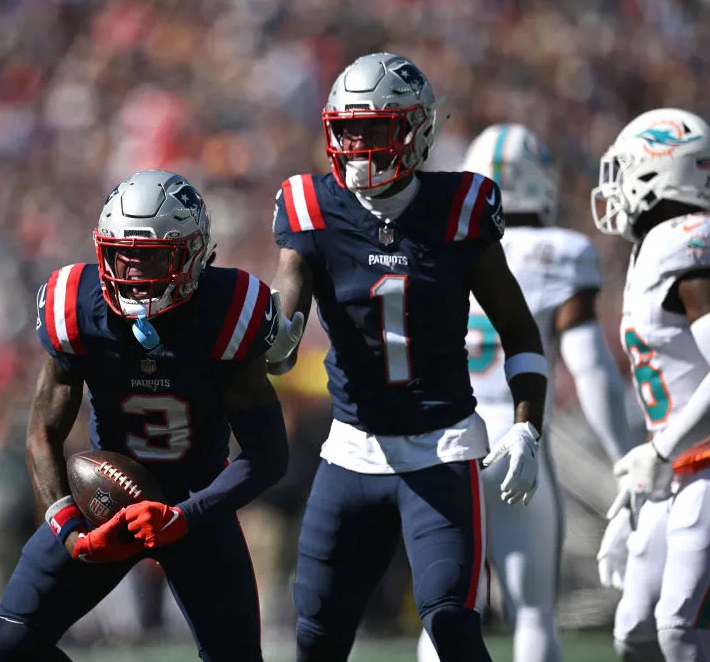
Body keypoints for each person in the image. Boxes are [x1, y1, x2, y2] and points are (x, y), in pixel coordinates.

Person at [266, 53, 548, 662]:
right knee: (316, 635)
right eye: (349, 128)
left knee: (451, 624)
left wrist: (528, 425)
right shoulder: (310, 209)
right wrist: (275, 339)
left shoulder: (461, 207)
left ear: (417, 130)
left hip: (441, 448)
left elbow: (521, 332)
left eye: (377, 128)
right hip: (351, 450)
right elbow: (282, 341)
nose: (359, 144)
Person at [0, 170, 288, 662]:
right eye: (120, 253)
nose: (130, 270)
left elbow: (269, 455)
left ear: (193, 254)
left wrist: (182, 517)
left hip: (196, 503)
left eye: (149, 255)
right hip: (104, 503)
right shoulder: (75, 307)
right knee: (15, 644)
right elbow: (43, 433)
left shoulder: (229, 309)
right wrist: (72, 531)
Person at [416, 124, 636, 662]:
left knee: (444, 610)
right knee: (533, 612)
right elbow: (591, 369)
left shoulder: (434, 244)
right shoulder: (559, 252)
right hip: (520, 436)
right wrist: (624, 456)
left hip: (444, 441)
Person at [591, 108, 710, 662]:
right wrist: (637, 488)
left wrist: (658, 451)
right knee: (634, 631)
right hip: (673, 472)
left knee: (679, 628)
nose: (613, 188)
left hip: (700, 463)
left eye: (625, 170)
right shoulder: (654, 246)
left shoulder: (687, 243)